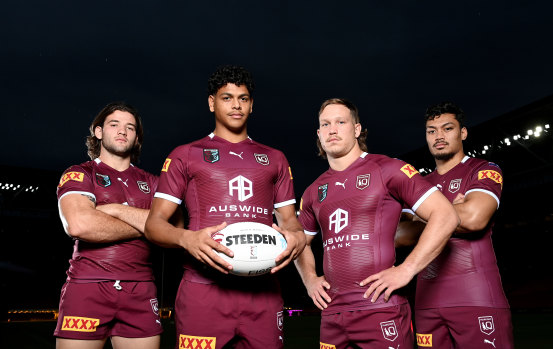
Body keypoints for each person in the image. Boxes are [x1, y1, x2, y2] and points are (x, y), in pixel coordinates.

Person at [144, 65, 306, 349]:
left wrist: (296, 237)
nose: (236, 105)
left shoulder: (275, 158)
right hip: (204, 291)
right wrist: (187, 238)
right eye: (227, 97)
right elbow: (154, 225)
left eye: (243, 98)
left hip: (264, 293)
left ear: (252, 105)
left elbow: (291, 222)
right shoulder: (186, 155)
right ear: (211, 102)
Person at [294, 98, 458, 349]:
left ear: (357, 129)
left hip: (381, 310)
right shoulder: (313, 191)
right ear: (319, 133)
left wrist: (407, 269)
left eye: (341, 122)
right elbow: (299, 241)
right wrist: (309, 279)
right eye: (325, 124)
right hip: (332, 314)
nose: (333, 129)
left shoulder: (388, 169)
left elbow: (445, 215)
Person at [397, 102, 514, 348]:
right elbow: (400, 235)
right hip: (426, 302)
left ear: (462, 133)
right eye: (431, 131)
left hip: (476, 296)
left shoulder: (483, 169)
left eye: (447, 128)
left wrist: (422, 217)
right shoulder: (418, 184)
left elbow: (474, 218)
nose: (438, 136)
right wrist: (451, 211)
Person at [54, 102, 165, 349]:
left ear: (137, 138)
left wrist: (115, 210)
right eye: (114, 124)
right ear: (99, 132)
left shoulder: (155, 182)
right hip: (88, 286)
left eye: (130, 128)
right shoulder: (79, 173)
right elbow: (81, 225)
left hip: (141, 288)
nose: (122, 131)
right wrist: (150, 224)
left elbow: (173, 226)